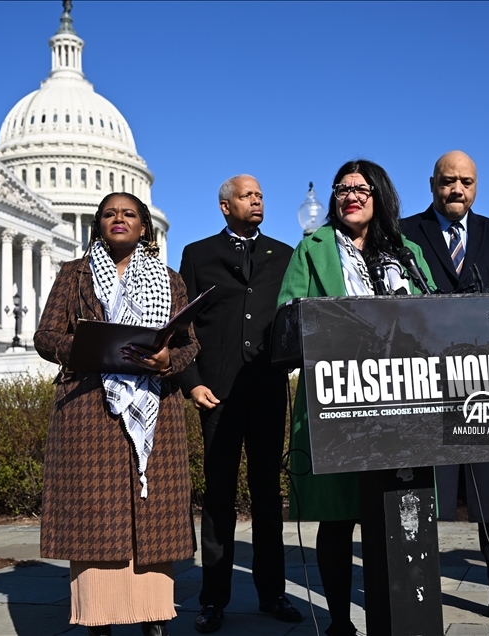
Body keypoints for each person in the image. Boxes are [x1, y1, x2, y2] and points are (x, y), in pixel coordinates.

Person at [278, 159, 432, 636]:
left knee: (392, 514)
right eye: (342, 189)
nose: (351, 196)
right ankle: (341, 622)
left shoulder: (406, 250)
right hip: (337, 402)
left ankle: (396, 618)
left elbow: (431, 316)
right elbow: (287, 314)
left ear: (379, 195)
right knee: (338, 518)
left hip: (400, 403)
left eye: (361, 189)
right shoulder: (313, 247)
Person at [35, 192, 199, 636]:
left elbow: (188, 343)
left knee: (151, 512)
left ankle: (152, 616)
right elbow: (47, 336)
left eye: (129, 213)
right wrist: (91, 348)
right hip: (90, 407)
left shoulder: (171, 280)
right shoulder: (75, 275)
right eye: (109, 214)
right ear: (98, 225)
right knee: (94, 516)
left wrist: (169, 363)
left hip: (154, 409)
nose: (119, 219)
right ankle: (98, 619)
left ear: (144, 226)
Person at [400, 150, 489, 627]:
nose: (456, 189)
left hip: (485, 385)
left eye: (465, 181)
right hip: (424, 387)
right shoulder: (401, 235)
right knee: (418, 495)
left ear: (477, 185)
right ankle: (412, 589)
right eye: (447, 181)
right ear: (432, 184)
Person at [179, 175, 299, 633]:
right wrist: (191, 382)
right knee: (219, 498)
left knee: (268, 496)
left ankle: (273, 594)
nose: (258, 201)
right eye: (248, 196)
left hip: (267, 389)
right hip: (217, 395)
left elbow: (293, 316)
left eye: (262, 195)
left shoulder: (284, 255)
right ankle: (213, 599)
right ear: (225, 206)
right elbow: (181, 326)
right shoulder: (198, 254)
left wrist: (289, 362)